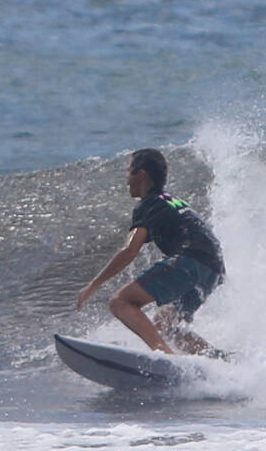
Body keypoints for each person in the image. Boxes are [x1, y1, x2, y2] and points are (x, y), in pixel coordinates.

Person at [76, 148, 226, 356]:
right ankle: (219, 361)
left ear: (142, 173)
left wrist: (93, 285)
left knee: (120, 302)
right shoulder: (172, 201)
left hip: (190, 260)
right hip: (214, 270)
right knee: (165, 325)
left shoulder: (149, 204)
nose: (127, 179)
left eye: (129, 172)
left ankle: (165, 355)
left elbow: (129, 250)